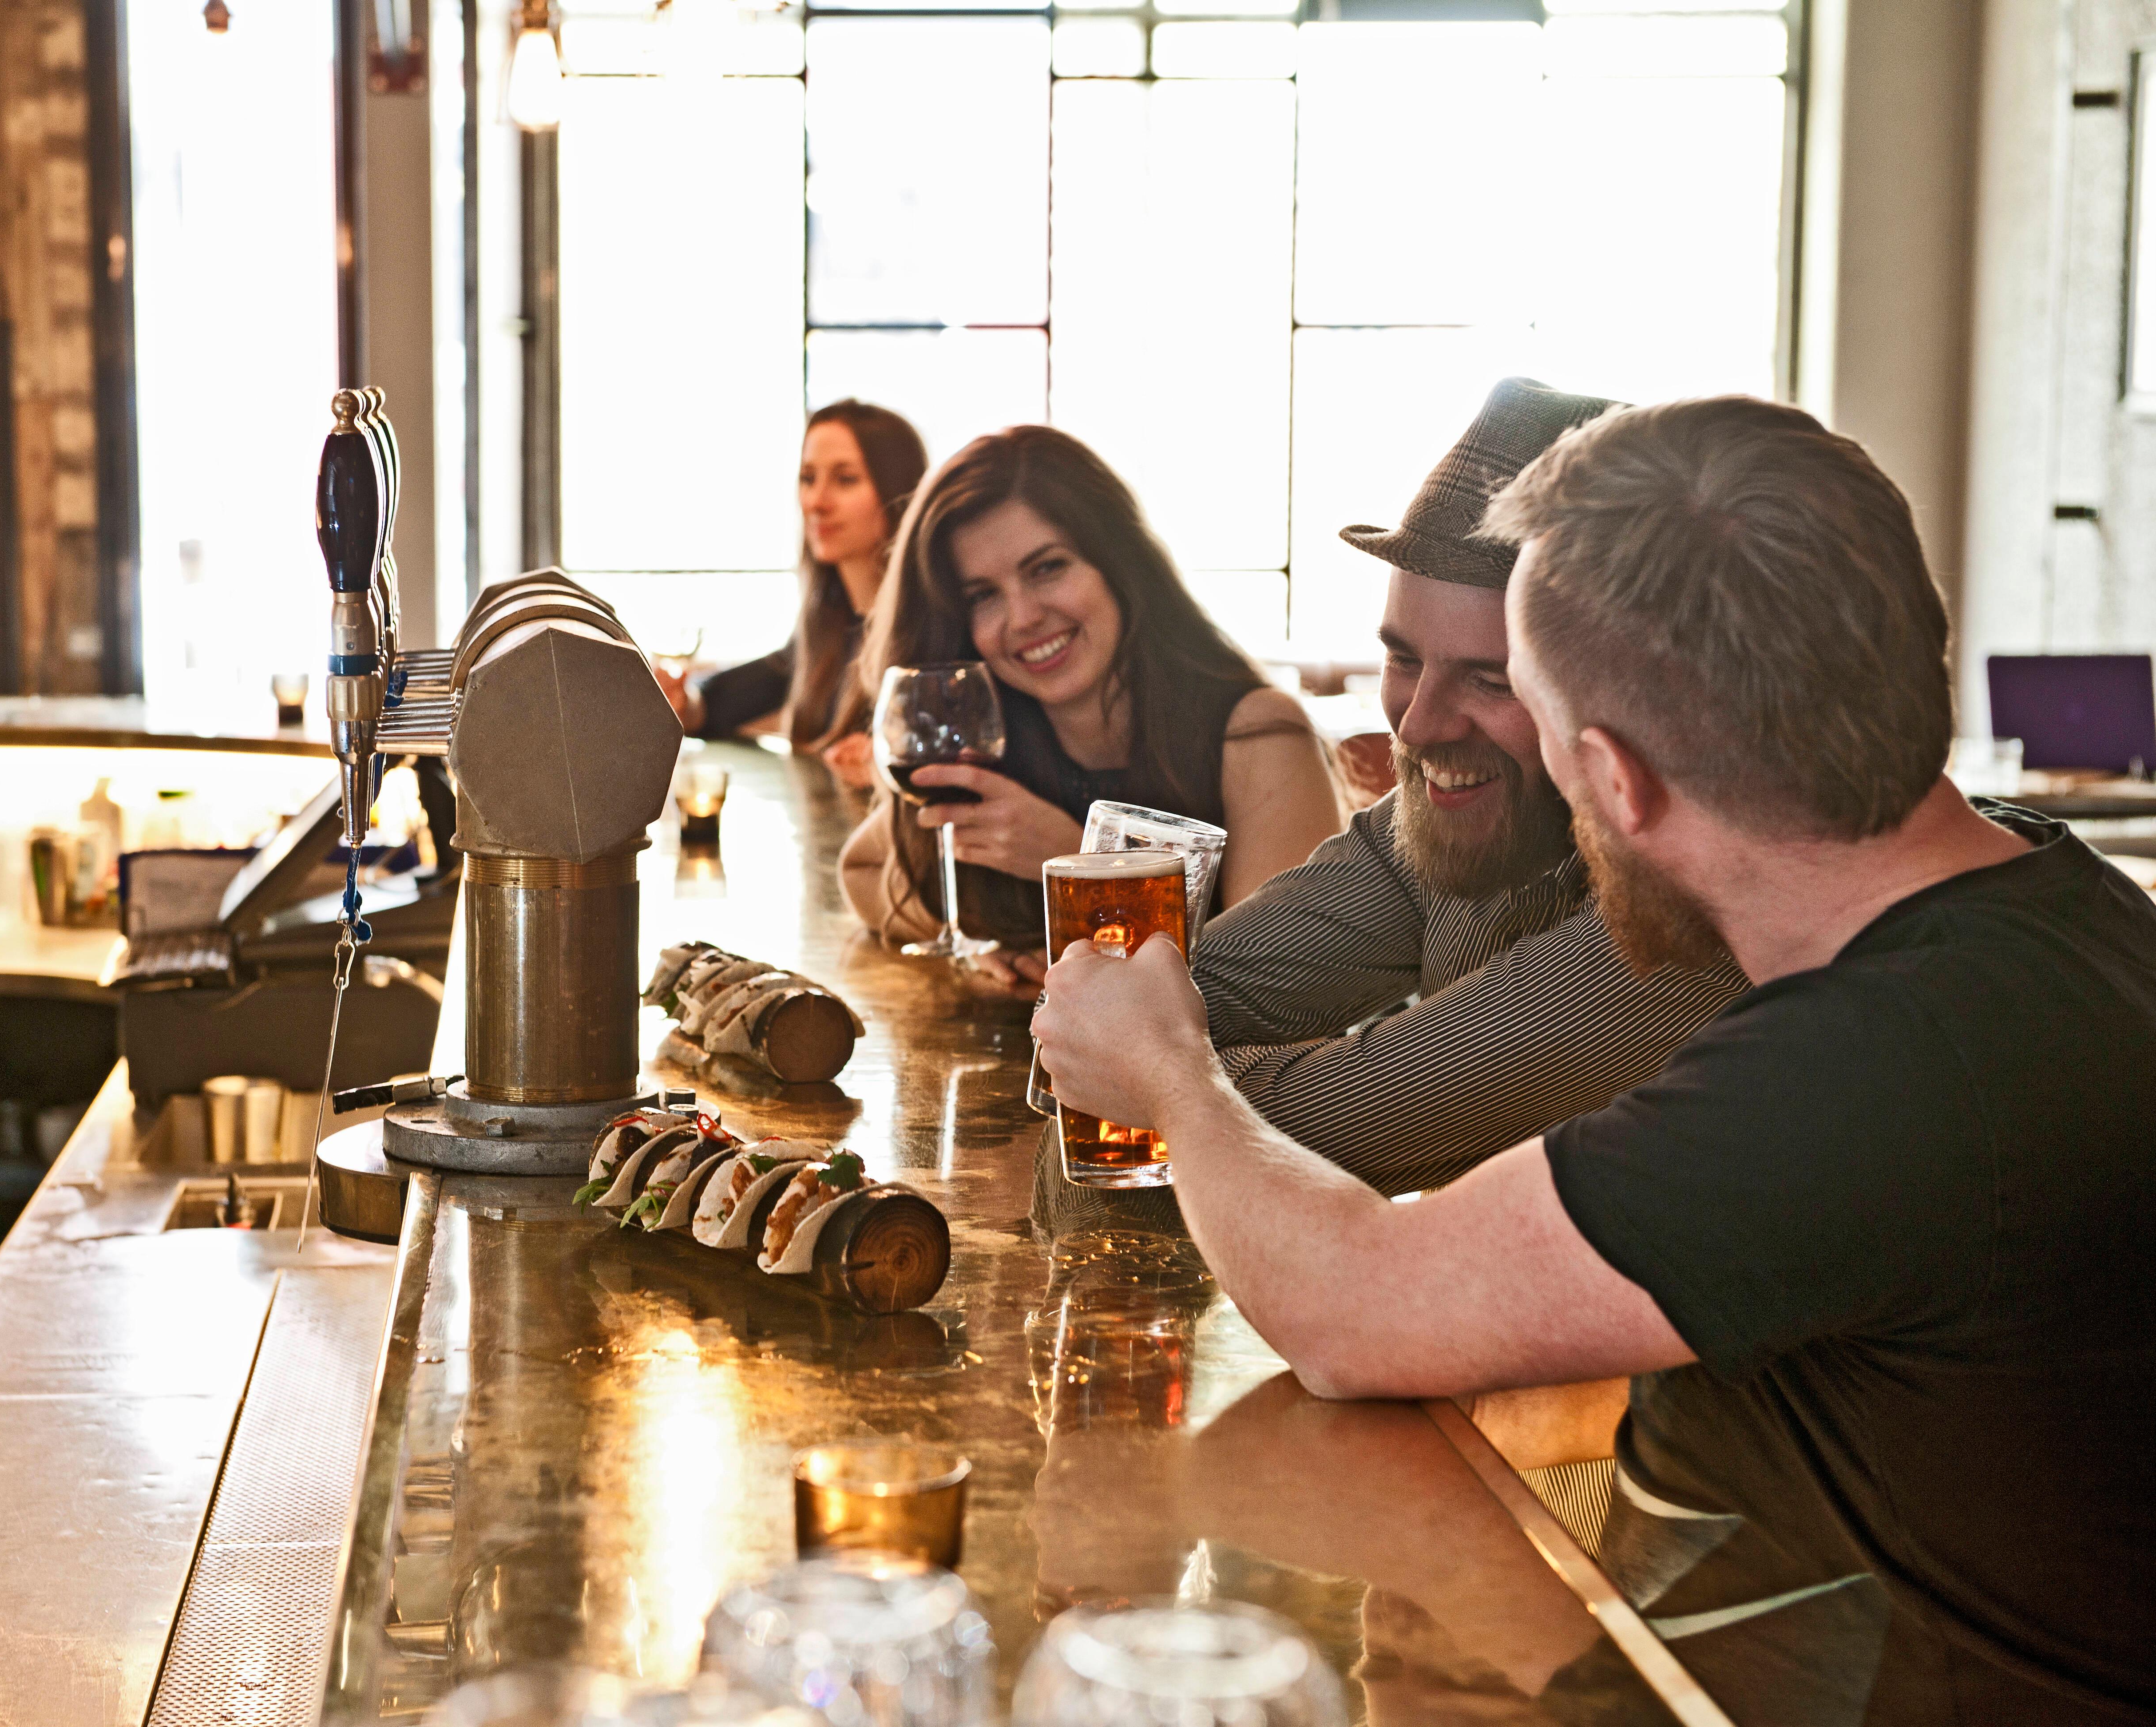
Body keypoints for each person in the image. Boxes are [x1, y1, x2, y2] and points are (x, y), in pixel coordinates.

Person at [1033, 396, 2156, 1722]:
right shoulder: (2043, 910)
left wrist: (1173, 1080)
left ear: (1614, 784)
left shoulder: (1865, 1067)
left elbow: (1349, 1313)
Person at [1191, 377, 1746, 1197]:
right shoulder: (1458, 816)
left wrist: (1148, 1072)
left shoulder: (1706, 888)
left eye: (1491, 679)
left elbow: (1310, 1127)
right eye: (1405, 659)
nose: (1415, 728)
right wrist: (1127, 1049)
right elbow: (1177, 999)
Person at [838, 424, 1343, 982]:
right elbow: (863, 868)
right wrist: (969, 946)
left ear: (1121, 563)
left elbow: (1284, 982)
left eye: (1047, 567)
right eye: (983, 595)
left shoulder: (1259, 732)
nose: (1023, 616)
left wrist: (1083, 865)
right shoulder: (994, 739)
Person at [661, 400, 926, 785]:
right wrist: (688, 705)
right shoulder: (829, 625)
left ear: (898, 491)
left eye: (845, 479)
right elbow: (730, 699)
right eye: (807, 478)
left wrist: (892, 757)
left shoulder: (929, 629)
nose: (816, 502)